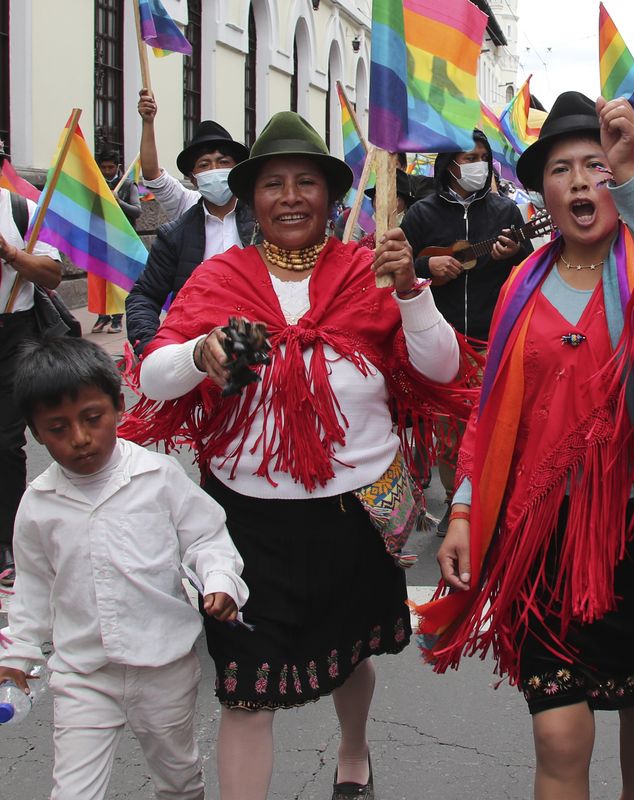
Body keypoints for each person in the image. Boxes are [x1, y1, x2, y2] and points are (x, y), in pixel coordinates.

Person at [417, 92, 634, 800]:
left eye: (597, 167)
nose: (580, 181)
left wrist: (633, 172)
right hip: (539, 534)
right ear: (541, 191)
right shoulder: (520, 286)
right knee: (559, 732)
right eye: (562, 169)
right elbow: (490, 413)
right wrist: (462, 509)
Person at [127, 112, 471, 800]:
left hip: (352, 517)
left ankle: (352, 755)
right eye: (274, 183)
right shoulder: (220, 278)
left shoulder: (367, 271)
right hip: (243, 523)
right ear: (252, 198)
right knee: (244, 690)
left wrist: (409, 291)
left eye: (305, 182)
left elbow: (441, 368)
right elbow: (155, 374)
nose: (289, 196)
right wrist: (200, 352)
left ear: (330, 195)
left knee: (349, 656)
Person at [0, 336, 247, 800]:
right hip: (84, 673)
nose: (79, 438)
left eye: (92, 418)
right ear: (34, 432)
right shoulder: (37, 504)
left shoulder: (158, 477)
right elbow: (32, 591)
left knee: (178, 777)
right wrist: (16, 659)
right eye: (57, 428)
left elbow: (207, 537)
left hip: (165, 664)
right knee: (73, 790)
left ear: (117, 405)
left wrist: (220, 581)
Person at [401, 129, 533, 533]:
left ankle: (492, 499)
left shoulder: (505, 212)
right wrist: (427, 268)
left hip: (492, 335)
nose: (476, 165)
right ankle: (455, 502)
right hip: (440, 340)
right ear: (448, 165)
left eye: (482, 157)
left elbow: (527, 264)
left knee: (494, 422)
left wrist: (514, 253)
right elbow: (399, 266)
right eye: (467, 157)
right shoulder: (421, 215)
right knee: (448, 428)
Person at [127, 89, 254, 354]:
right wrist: (152, 350)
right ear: (194, 178)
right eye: (204, 165)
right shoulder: (180, 225)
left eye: (223, 162)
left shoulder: (260, 221)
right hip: (194, 347)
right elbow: (144, 296)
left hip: (255, 339)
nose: (214, 170)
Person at [0, 157, 63, 582]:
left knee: (5, 441)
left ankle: (8, 539)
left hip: (12, 331)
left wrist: (11, 254)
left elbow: (53, 274)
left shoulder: (20, 209)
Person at [88, 150, 142, 334]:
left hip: (121, 239)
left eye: (110, 167)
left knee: (117, 279)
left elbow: (137, 211)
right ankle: (102, 316)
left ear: (118, 166)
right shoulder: (96, 184)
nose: (107, 171)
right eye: (103, 168)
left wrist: (118, 202)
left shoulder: (127, 185)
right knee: (99, 277)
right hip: (100, 237)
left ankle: (117, 318)